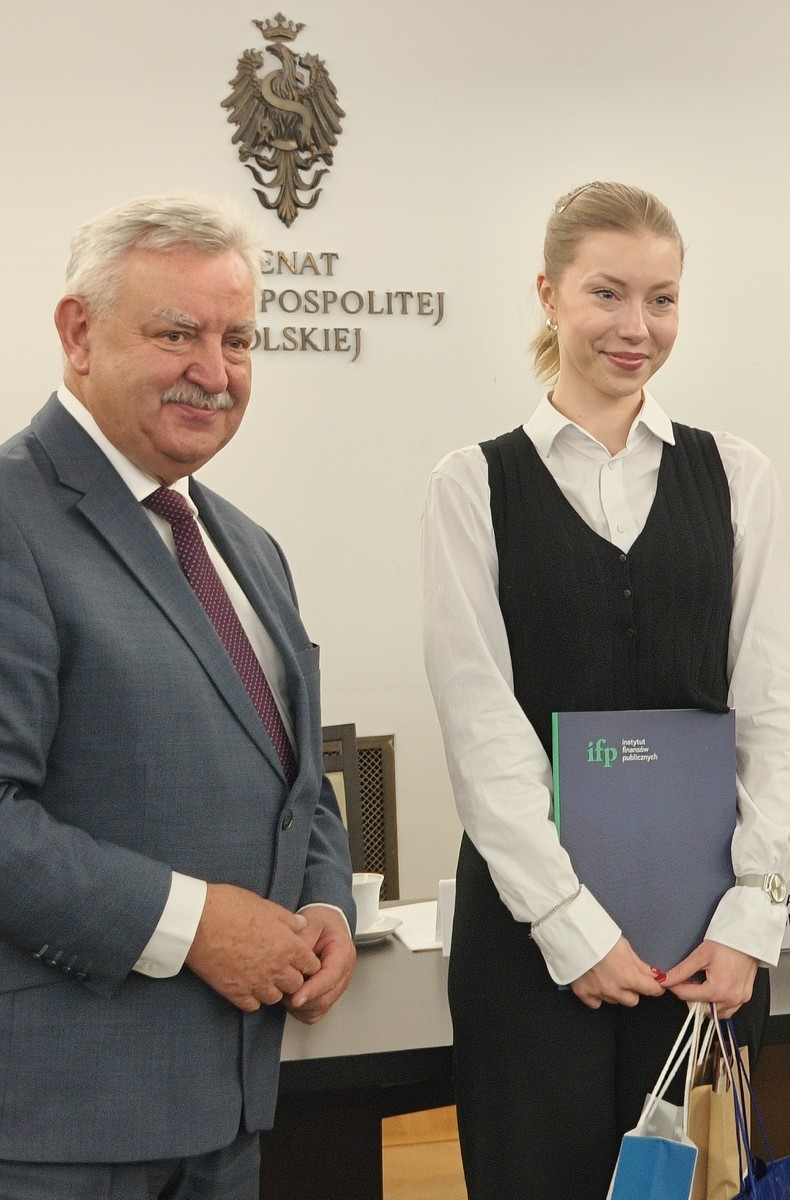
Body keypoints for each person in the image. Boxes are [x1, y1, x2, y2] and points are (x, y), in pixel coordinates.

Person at [421, 181, 790, 1198]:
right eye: (607, 293)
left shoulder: (738, 476)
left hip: (707, 940)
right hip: (529, 940)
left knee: (692, 1187)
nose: (636, 327)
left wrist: (752, 914)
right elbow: (481, 726)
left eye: (662, 299)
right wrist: (568, 923)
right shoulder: (472, 485)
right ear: (548, 295)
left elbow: (772, 709)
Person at [0, 195, 356, 1197]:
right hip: (57, 1134)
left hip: (225, 1118)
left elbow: (294, 780)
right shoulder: (11, 518)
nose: (215, 370)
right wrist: (194, 925)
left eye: (237, 340)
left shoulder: (248, 547)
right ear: (78, 334)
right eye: (175, 334)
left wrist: (324, 900)